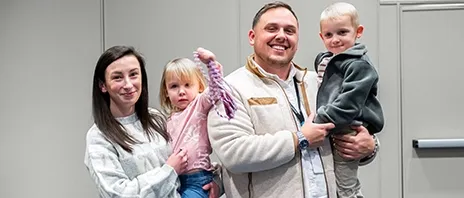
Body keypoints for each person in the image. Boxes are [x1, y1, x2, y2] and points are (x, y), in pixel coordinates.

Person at [206, 1, 379, 198]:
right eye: (272, 28)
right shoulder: (229, 89)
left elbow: (349, 126)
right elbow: (234, 153)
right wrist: (299, 139)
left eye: (289, 31)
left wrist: (369, 146)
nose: (281, 36)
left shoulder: (319, 82)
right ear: (252, 37)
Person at [84, 45, 220, 198]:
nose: (128, 85)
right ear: (103, 85)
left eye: (134, 74)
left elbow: (191, 153)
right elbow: (117, 193)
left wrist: (215, 182)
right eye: (117, 77)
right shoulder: (99, 137)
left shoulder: (157, 118)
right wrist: (169, 171)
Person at [313, 2, 384, 197]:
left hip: (347, 128)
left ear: (358, 31)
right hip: (331, 124)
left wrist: (318, 121)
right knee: (330, 181)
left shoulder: (359, 65)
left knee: (345, 186)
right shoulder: (325, 60)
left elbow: (349, 104)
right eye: (329, 35)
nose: (335, 40)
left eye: (342, 32)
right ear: (321, 36)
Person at [158, 48, 225, 198]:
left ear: (200, 87)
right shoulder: (166, 120)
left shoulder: (199, 105)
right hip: (174, 179)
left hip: (197, 180)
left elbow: (216, 88)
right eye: (174, 86)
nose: (181, 91)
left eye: (187, 85)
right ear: (166, 92)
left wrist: (211, 64)